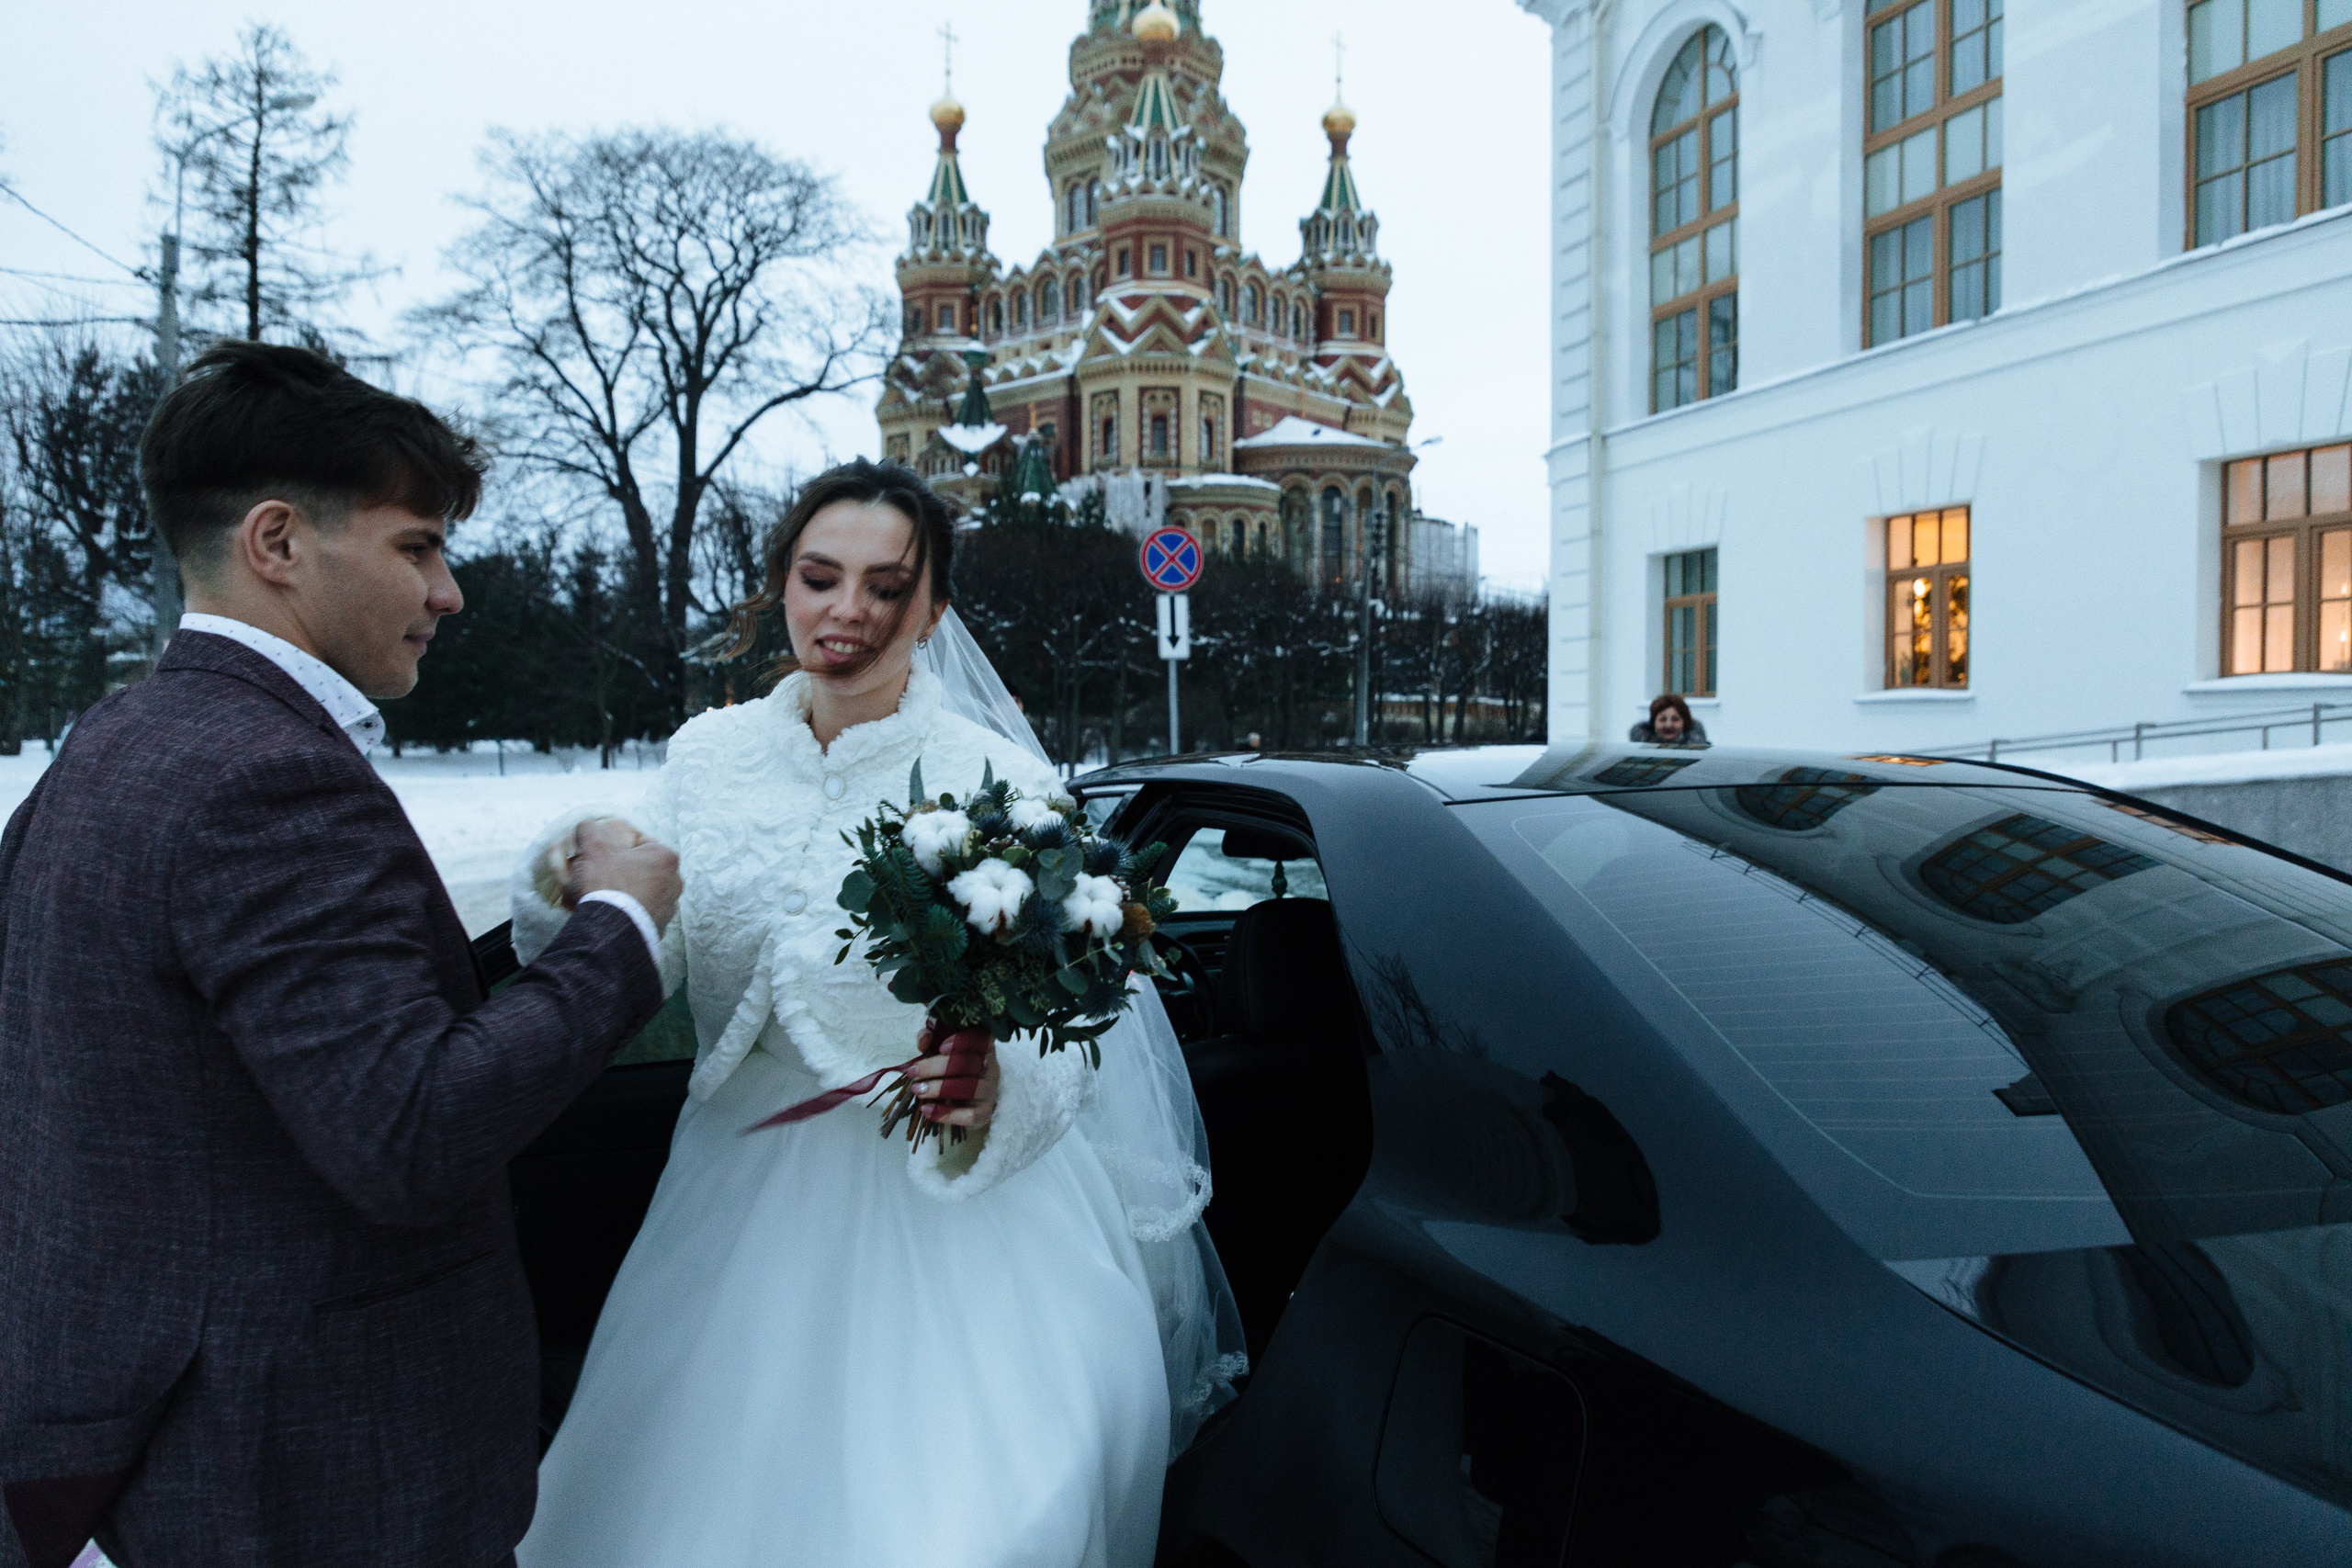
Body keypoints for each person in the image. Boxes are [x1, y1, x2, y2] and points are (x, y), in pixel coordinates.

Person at [0, 342, 694, 1568]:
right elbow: (414, 1128)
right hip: (313, 1462)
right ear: (278, 542)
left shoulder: (115, 740)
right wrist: (621, 928)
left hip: (167, 1437)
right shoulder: (267, 779)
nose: (449, 592)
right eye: (417, 545)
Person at [514, 459, 1242, 1568]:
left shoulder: (995, 777)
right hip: (735, 1192)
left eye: (885, 587)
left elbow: (1076, 1035)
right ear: (783, 588)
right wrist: (573, 879)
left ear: (933, 609)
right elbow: (636, 944)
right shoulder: (707, 761)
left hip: (961, 1223)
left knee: (963, 1524)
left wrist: (997, 1087)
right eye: (819, 577)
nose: (846, 610)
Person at [1629, 692, 1710, 747]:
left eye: (1675, 719)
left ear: (1685, 722)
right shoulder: (1635, 755)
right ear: (1653, 723)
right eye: (1663, 719)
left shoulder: (1706, 756)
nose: (1669, 725)